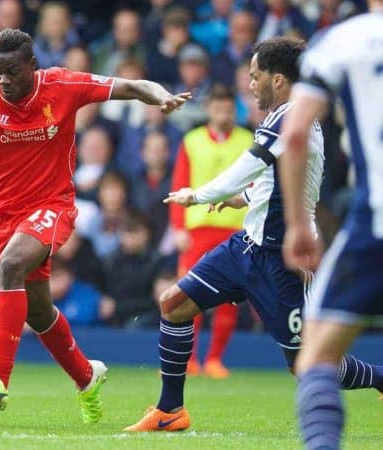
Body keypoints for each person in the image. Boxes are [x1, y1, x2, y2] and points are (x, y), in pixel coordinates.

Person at [0, 27, 190, 423]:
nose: (4, 81)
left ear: (33, 66)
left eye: (12, 72)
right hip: (6, 216)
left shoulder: (63, 85)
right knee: (38, 312)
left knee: (10, 266)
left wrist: (161, 95)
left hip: (53, 205)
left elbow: (130, 85)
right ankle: (86, 377)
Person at [125, 36, 383, 433]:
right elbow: (273, 179)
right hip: (245, 246)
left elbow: (252, 164)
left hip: (283, 262)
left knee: (307, 365)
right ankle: (170, 410)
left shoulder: (291, 114)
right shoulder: (283, 118)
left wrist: (201, 194)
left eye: (256, 75)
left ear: (278, 80)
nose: (250, 84)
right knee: (174, 303)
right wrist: (240, 201)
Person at [278, 3, 383, 449]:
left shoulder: (346, 38)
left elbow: (296, 133)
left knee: (317, 357)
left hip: (375, 221)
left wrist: (299, 223)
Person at [169, 84, 253, 378]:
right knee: (189, 295)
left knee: (228, 297)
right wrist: (178, 227)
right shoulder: (191, 141)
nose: (223, 113)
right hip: (198, 229)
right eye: (218, 108)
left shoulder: (249, 140)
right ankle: (189, 359)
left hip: (236, 226)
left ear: (235, 111)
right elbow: (180, 181)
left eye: (228, 109)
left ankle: (215, 358)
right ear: (208, 110)